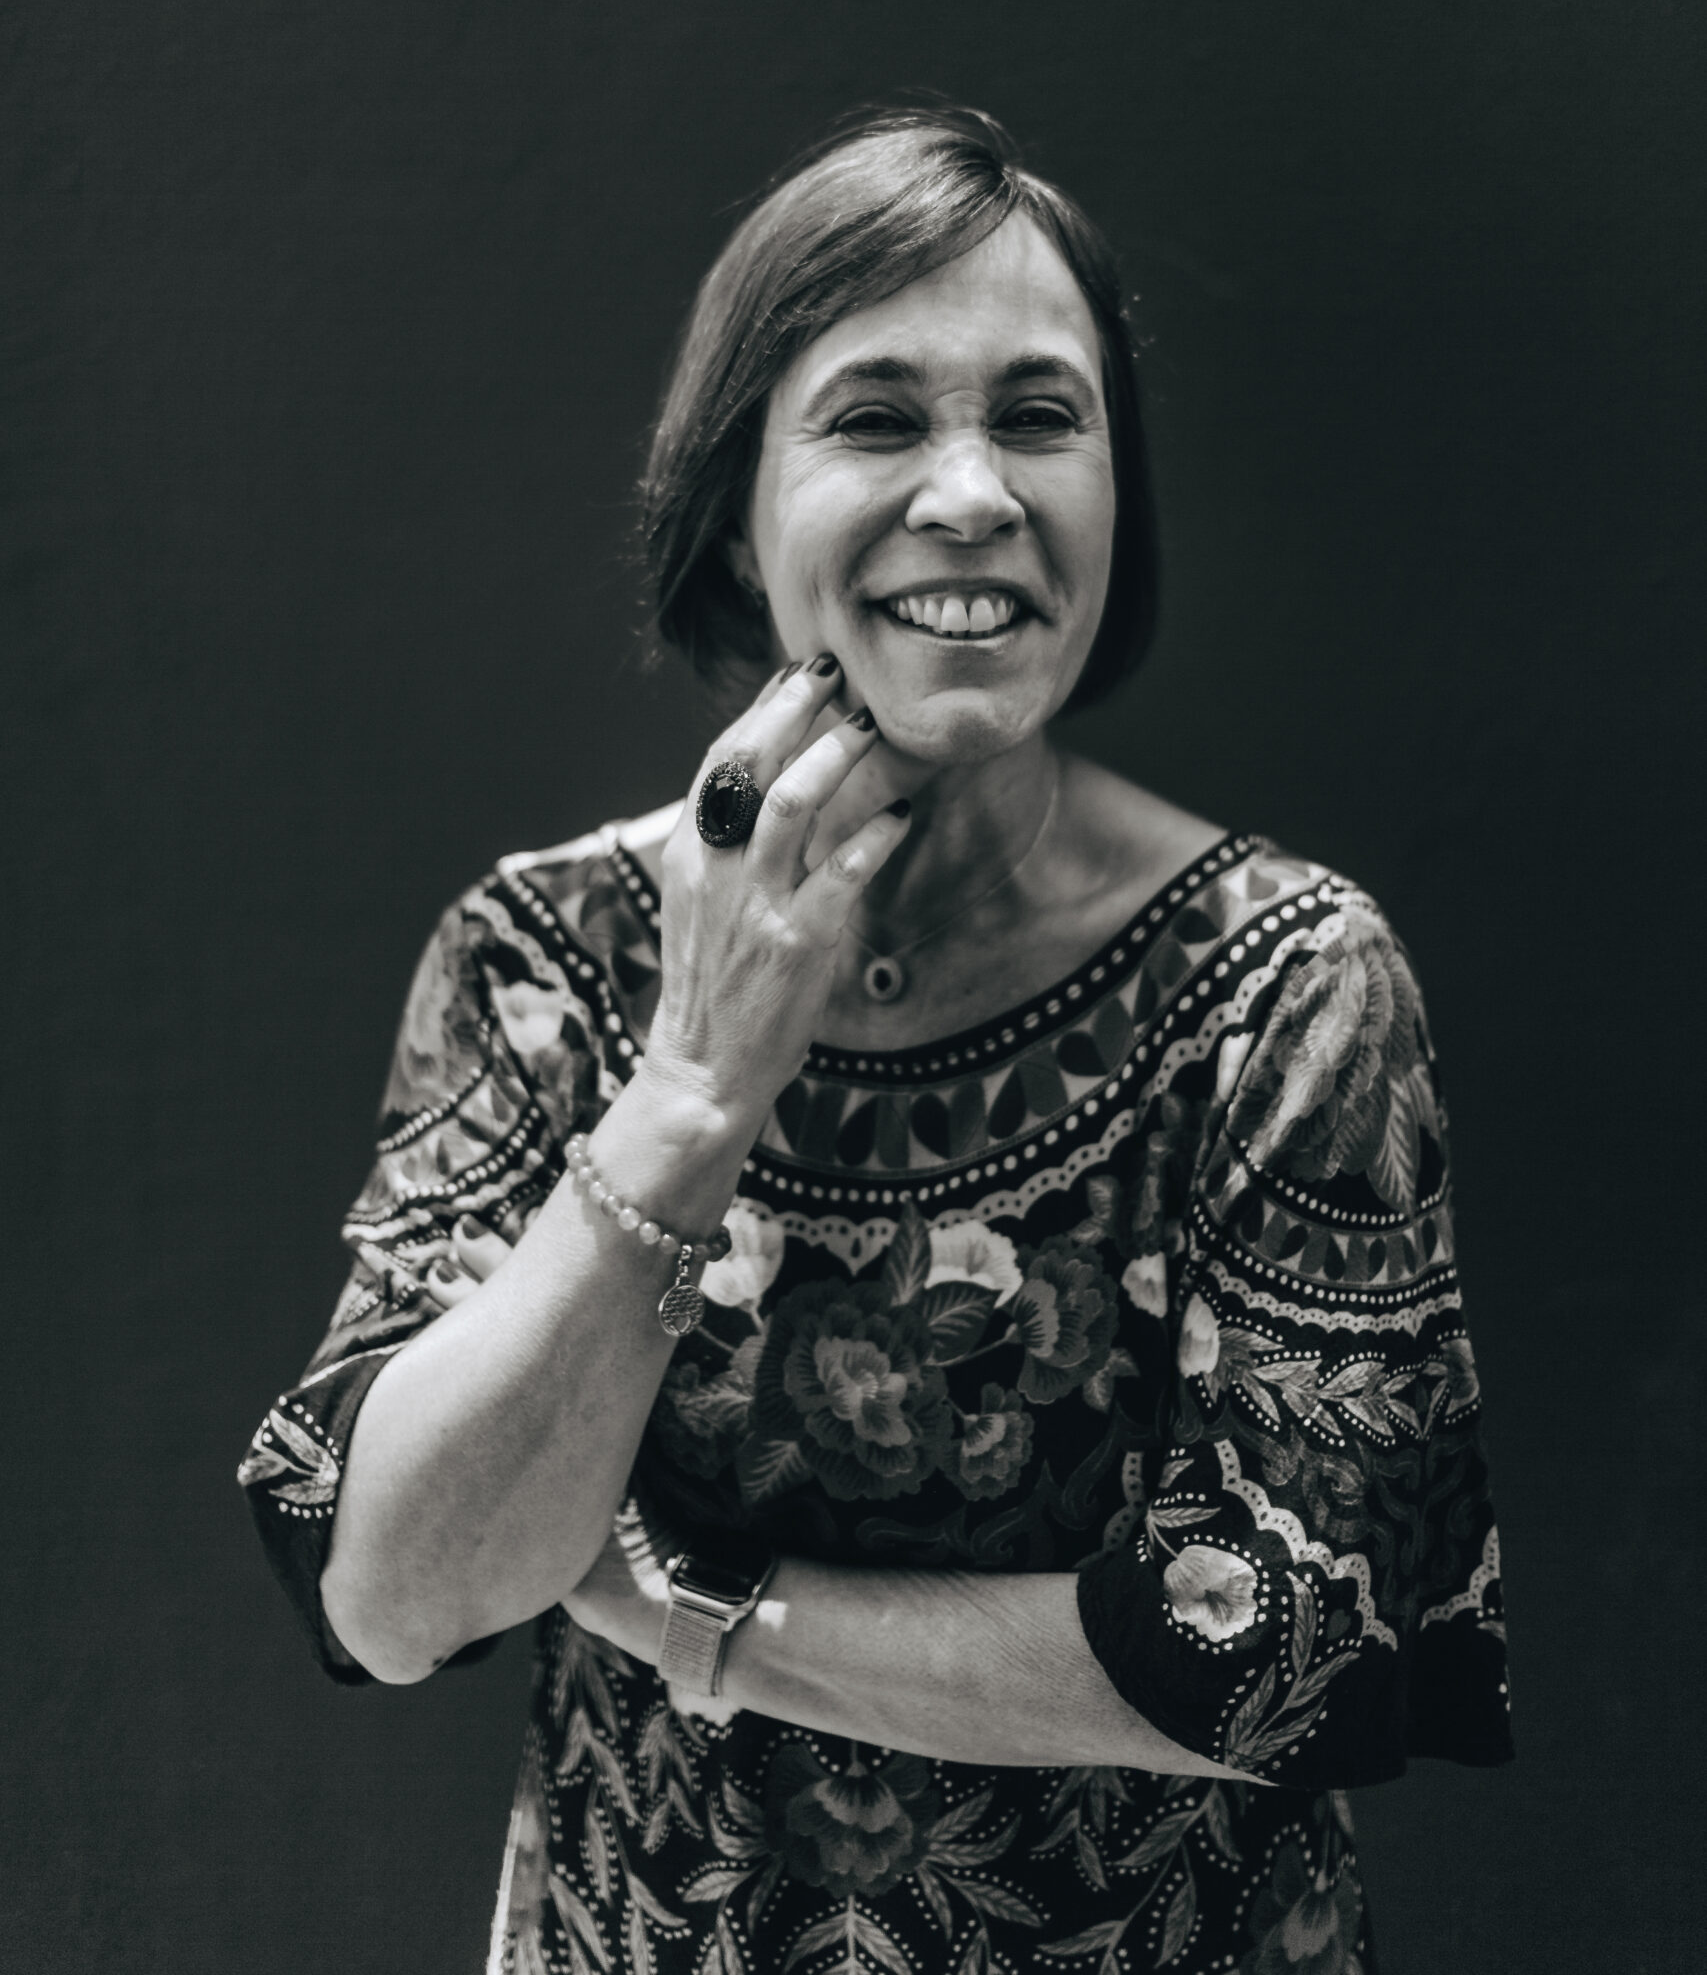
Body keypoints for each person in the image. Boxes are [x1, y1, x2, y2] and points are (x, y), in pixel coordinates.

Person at [241, 102, 1512, 1975]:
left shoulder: (1291, 984)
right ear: (737, 516)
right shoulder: (541, 961)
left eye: (1042, 415)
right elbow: (398, 1594)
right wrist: (692, 1094)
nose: (976, 493)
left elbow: (1280, 1655)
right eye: (877, 418)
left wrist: (692, 1614)